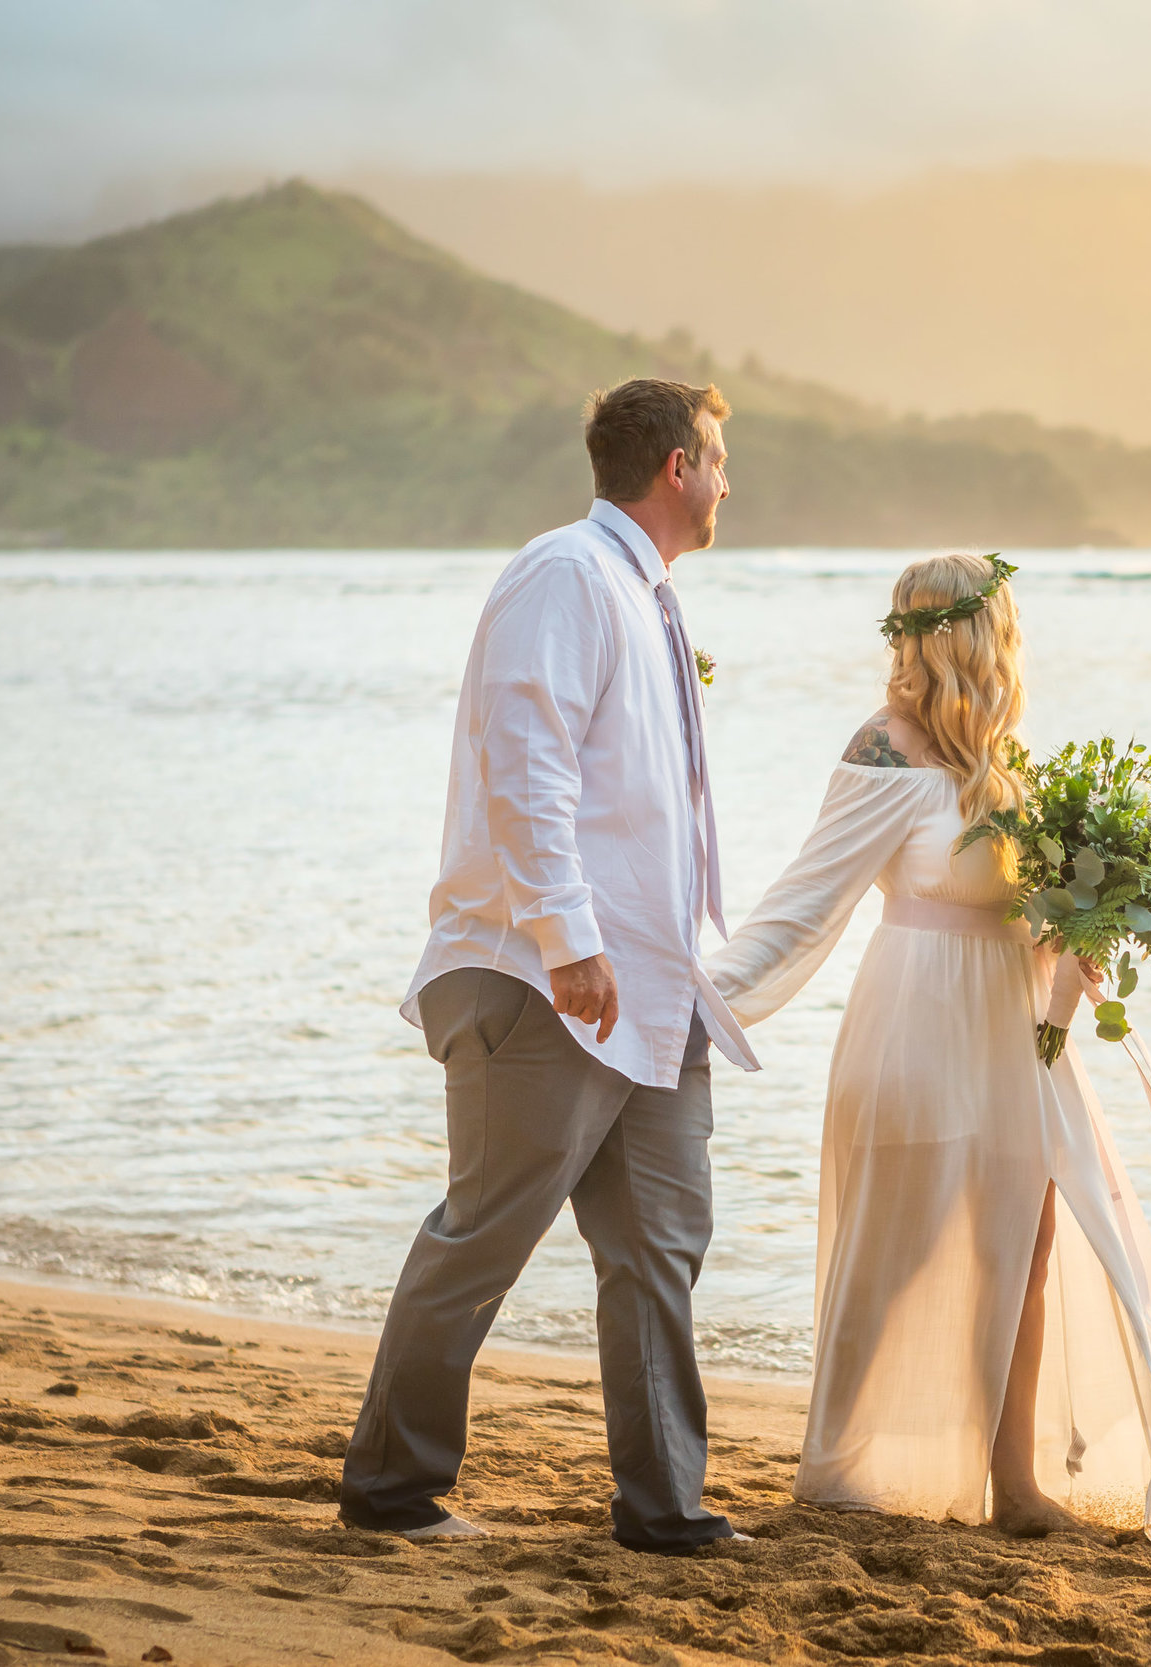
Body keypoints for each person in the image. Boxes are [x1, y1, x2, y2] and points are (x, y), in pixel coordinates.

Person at [705, 554, 1151, 1541]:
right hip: (914, 1022)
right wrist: (697, 1000)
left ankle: (1015, 1479)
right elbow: (804, 898)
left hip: (1015, 1034)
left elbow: (1037, 916)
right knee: (903, 1244)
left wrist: (1087, 929)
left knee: (1027, 1239)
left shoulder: (1011, 762)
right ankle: (839, 1458)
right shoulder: (884, 749)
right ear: (968, 631)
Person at [339, 378, 758, 1552]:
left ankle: (663, 1506)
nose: (729, 482)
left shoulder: (643, 595)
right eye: (719, 459)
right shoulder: (565, 574)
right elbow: (528, 759)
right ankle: (390, 1488)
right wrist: (568, 940)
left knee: (662, 1245)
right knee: (483, 1235)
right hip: (544, 980)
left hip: (651, 989)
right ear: (677, 466)